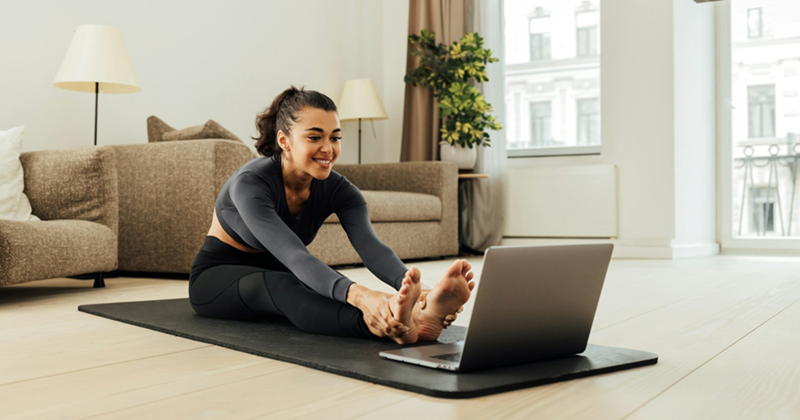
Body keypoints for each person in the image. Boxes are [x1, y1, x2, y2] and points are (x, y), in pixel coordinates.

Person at [188, 86, 476, 344]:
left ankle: (418, 313)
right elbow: (294, 256)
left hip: (281, 269)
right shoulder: (250, 183)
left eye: (335, 138)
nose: (328, 148)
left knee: (325, 283)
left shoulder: (341, 190)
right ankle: (391, 326)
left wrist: (416, 288)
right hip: (218, 277)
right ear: (284, 140)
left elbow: (372, 249)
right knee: (289, 284)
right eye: (315, 137)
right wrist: (361, 295)